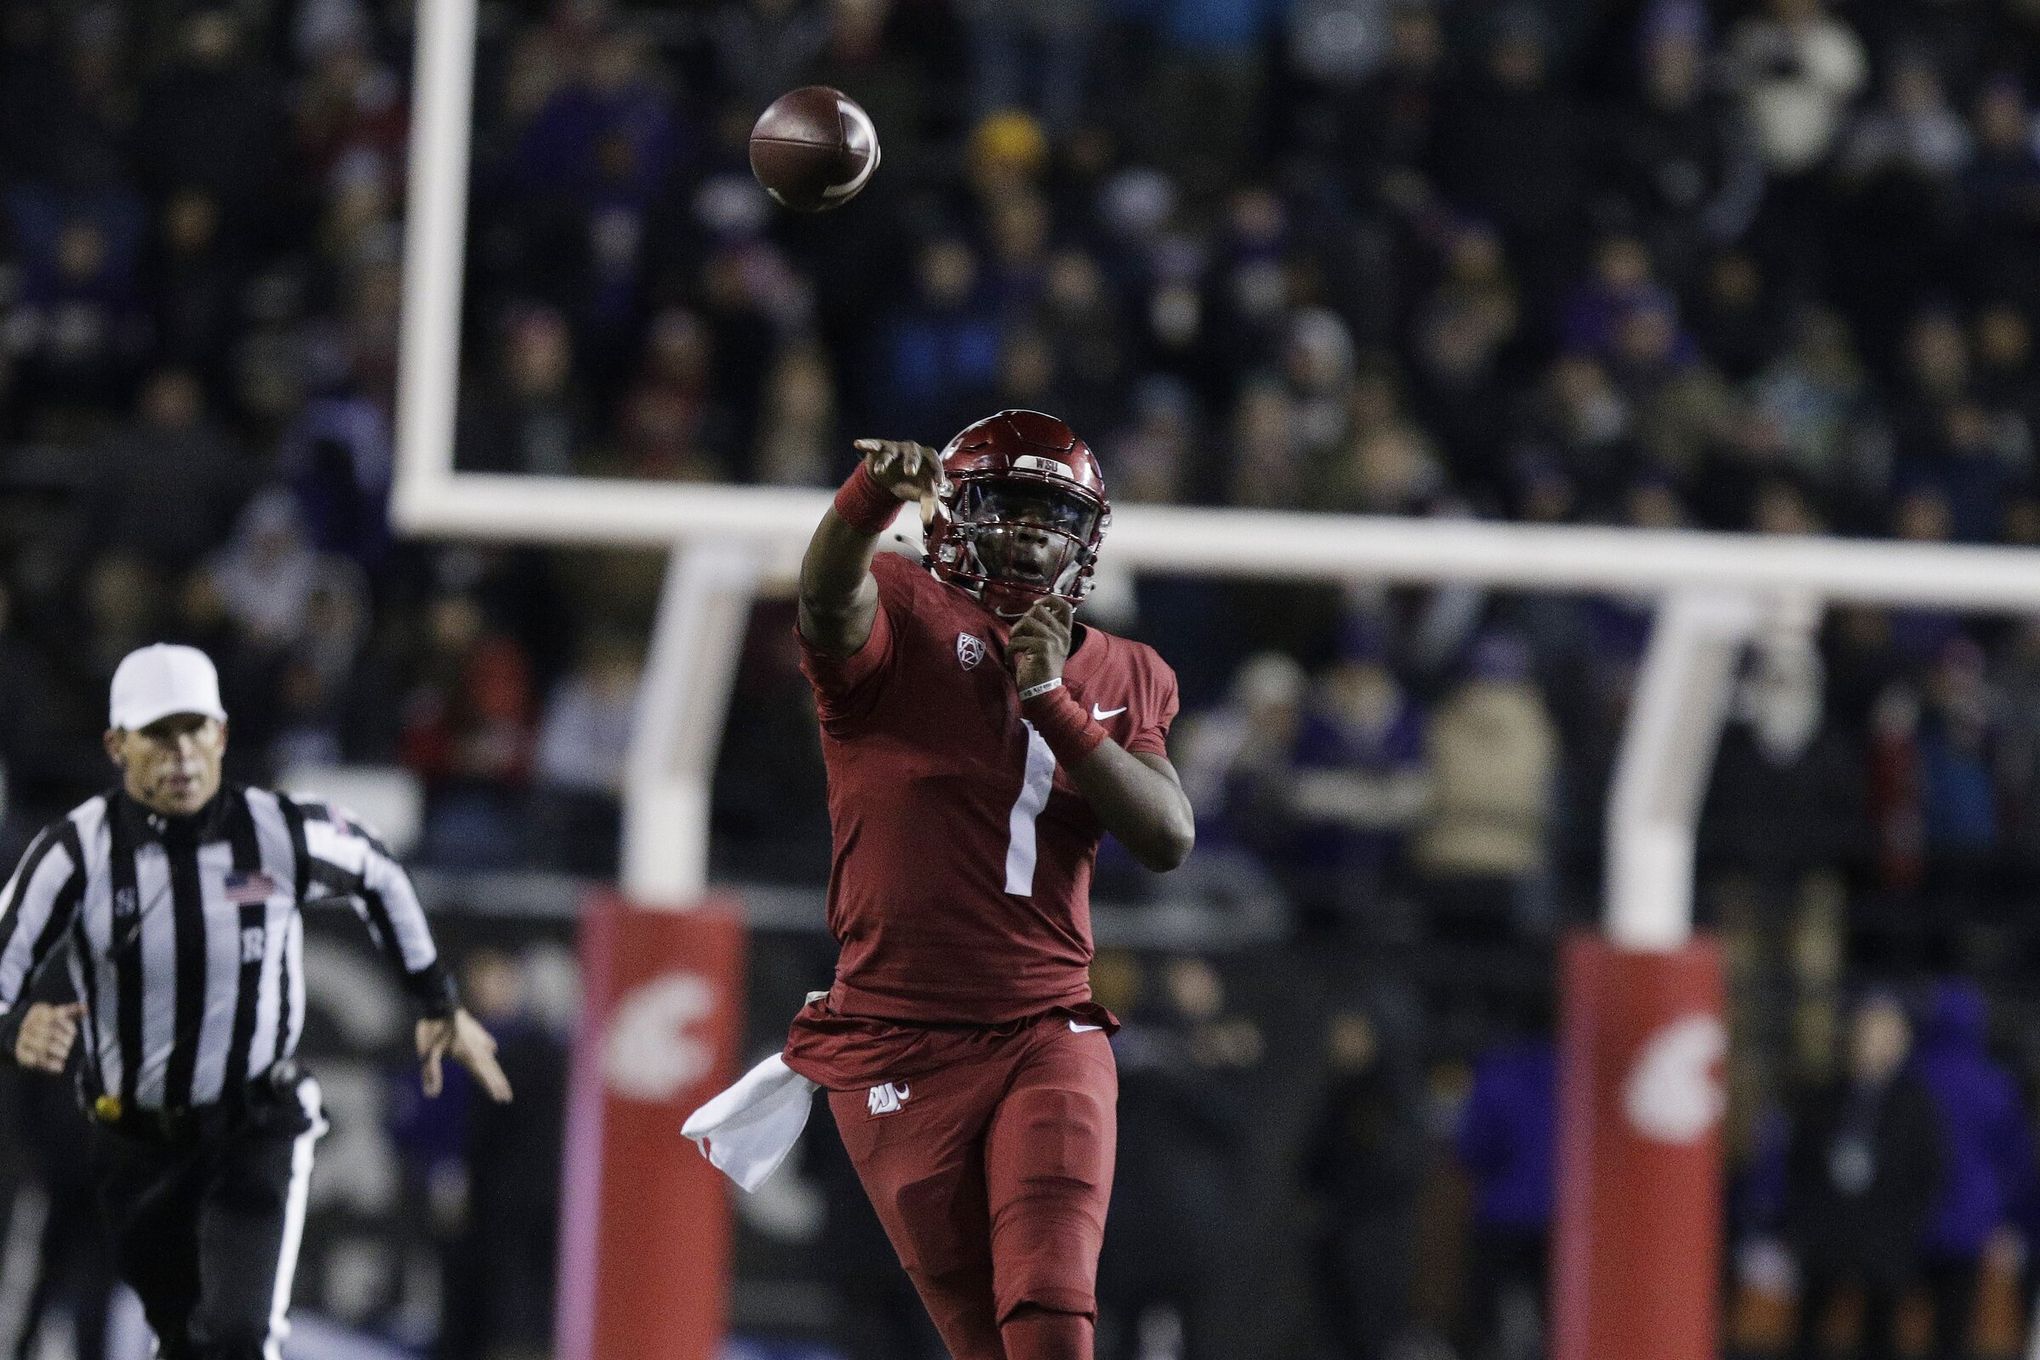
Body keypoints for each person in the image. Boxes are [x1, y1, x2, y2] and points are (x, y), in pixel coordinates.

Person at [774, 411, 1195, 1360]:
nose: (1030, 535)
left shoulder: (1127, 671)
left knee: (1050, 1319)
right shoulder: (904, 610)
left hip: (1046, 1025)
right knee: (983, 1343)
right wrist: (864, 499)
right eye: (1005, 507)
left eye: (1054, 516)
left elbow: (1168, 835)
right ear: (953, 514)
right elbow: (824, 601)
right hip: (893, 1038)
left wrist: (1053, 702)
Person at [0, 643, 513, 1360]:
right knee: (181, 1333)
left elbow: (379, 874)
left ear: (222, 734)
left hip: (252, 1122)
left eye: (195, 729)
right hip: (133, 1138)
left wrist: (436, 997)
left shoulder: (279, 831)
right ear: (117, 746)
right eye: (158, 733)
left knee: (239, 1333)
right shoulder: (74, 854)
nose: (181, 752)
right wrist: (16, 1025)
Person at [1783, 990, 1943, 1360]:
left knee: (1880, 1332)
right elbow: (1799, 1165)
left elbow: (1929, 1172)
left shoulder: (1915, 1104)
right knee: (1811, 1329)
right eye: (1868, 1033)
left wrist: (1906, 1228)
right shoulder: (1824, 1096)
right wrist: (1801, 1227)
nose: (1876, 1044)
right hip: (1827, 1236)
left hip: (1884, 1240)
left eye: (1887, 1035)